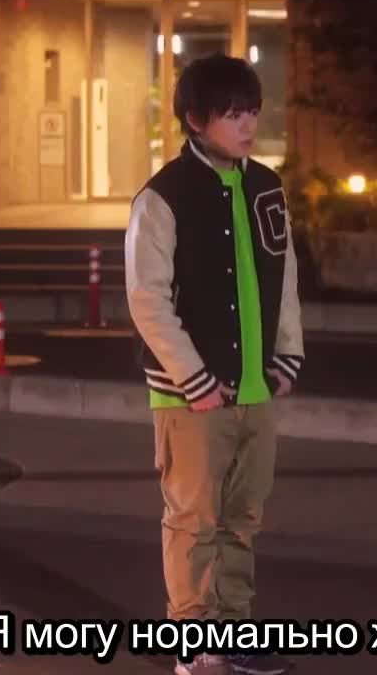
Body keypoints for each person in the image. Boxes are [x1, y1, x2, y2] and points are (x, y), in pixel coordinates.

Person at [125, 52, 304, 675]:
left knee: (242, 520)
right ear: (196, 120)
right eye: (232, 114)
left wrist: (288, 355)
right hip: (189, 397)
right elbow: (146, 299)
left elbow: (284, 276)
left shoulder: (266, 186)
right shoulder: (162, 197)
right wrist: (193, 379)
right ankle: (194, 647)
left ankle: (236, 636)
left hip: (256, 390)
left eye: (252, 111)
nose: (248, 124)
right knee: (193, 522)